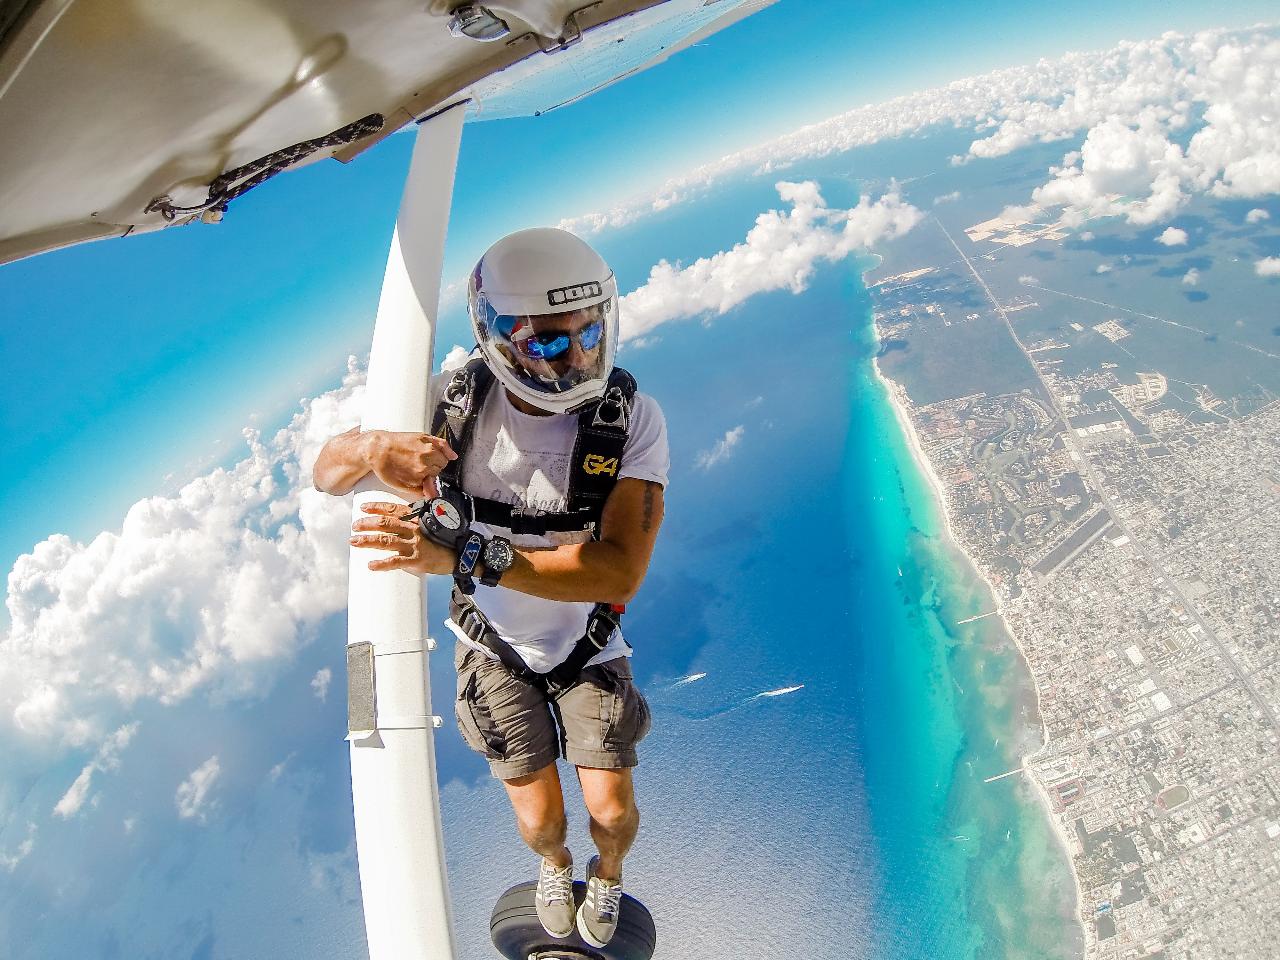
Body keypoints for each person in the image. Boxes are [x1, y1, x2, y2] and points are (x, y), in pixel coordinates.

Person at [312, 227, 668, 948]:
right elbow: (328, 471)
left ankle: (607, 872)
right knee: (540, 820)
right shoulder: (451, 404)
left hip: (587, 639)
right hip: (493, 645)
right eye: (546, 343)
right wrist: (375, 446)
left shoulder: (628, 419)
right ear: (500, 340)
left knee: (610, 805)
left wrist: (468, 555)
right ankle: (556, 865)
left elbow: (620, 569)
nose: (575, 357)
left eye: (589, 332)